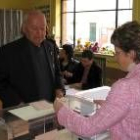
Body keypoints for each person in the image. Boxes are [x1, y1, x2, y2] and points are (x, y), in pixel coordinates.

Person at [54, 21, 140, 140]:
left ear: (131, 53)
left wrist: (60, 109)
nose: (115, 57)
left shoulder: (125, 88)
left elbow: (87, 128)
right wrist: (111, 106)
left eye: (117, 53)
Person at [0, 10, 65, 108]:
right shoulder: (8, 51)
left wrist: (59, 90)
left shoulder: (50, 47)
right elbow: (1, 83)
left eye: (42, 28)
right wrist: (17, 103)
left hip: (51, 107)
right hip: (23, 112)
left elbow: (57, 73)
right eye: (34, 28)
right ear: (25, 28)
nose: (39, 33)